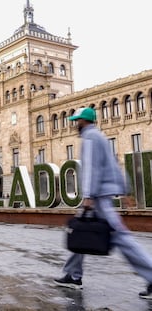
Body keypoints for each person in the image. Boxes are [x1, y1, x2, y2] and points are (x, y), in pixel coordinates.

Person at [53, 107, 152, 300]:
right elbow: (114, 165)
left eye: (78, 121)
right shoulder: (100, 136)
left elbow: (91, 167)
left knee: (122, 238)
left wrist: (88, 196)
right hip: (101, 195)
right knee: (81, 230)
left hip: (98, 198)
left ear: (84, 121)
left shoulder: (90, 137)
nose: (75, 125)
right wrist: (124, 191)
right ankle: (73, 275)